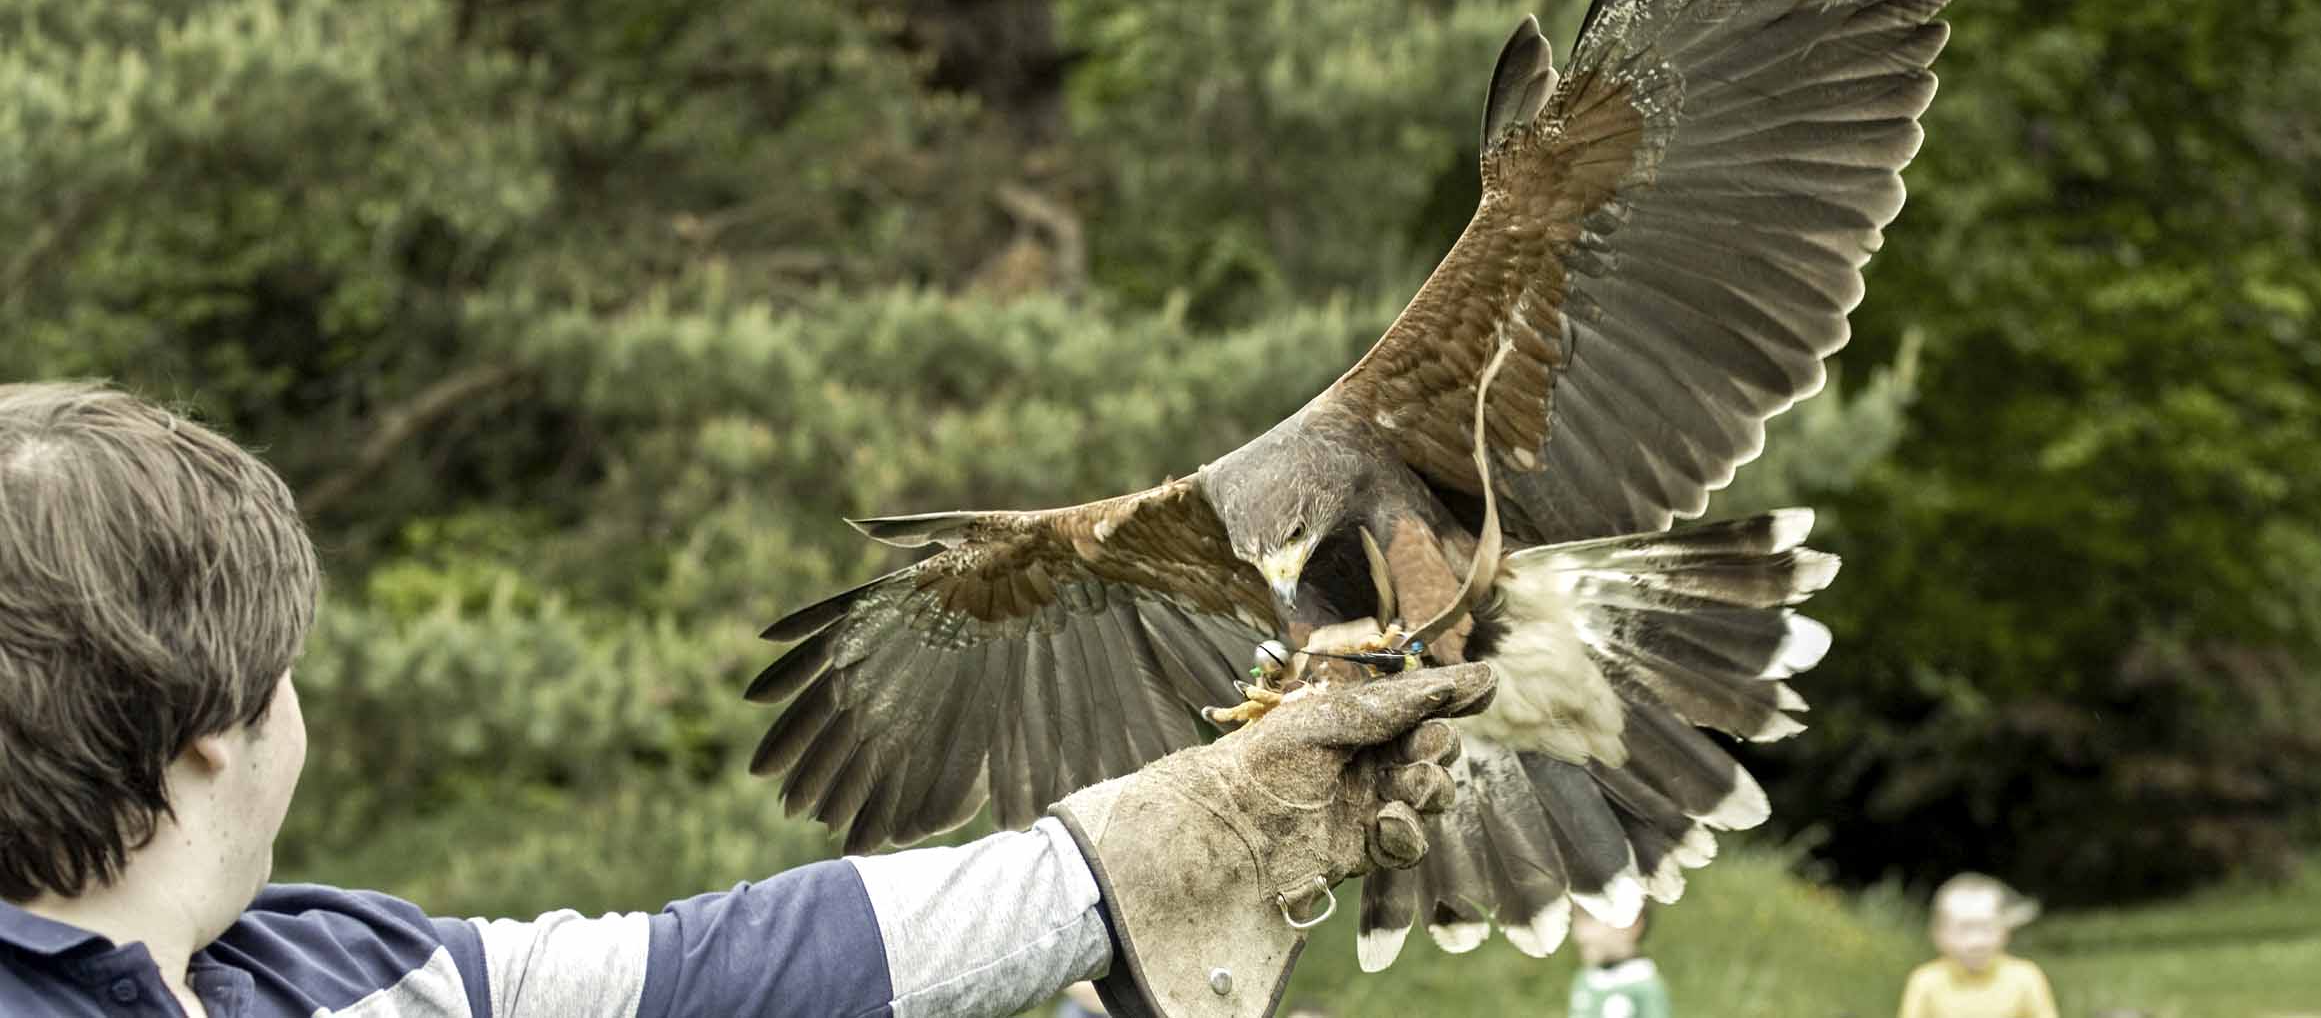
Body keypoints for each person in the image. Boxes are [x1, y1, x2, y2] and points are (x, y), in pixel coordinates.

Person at [0, 380, 1496, 1018]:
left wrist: (1169, 841)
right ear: (217, 726)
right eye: (285, 670)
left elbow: (719, 973)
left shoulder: (338, 968)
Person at [1896, 872, 2058, 1018]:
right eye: (1964, 929)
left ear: (2004, 931)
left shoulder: (2026, 978)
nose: (1976, 942)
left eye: (1986, 927)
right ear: (1940, 934)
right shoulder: (1925, 982)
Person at [1566, 903, 1670, 1018]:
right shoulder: (1584, 979)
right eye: (1575, 920)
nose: (1579, 934)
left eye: (1591, 919)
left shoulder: (1645, 988)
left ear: (1631, 922)